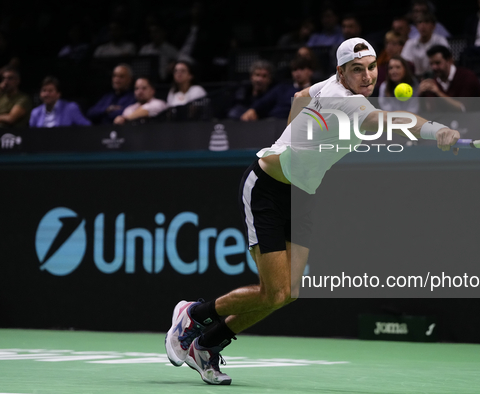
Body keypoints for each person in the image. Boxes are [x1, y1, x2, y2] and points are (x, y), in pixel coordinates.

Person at [164, 37, 460, 386]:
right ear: (341, 72)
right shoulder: (345, 101)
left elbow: (299, 97)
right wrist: (435, 128)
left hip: (302, 194)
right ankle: (193, 315)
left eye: (371, 67)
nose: (367, 76)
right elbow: (390, 120)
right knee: (273, 292)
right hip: (267, 189)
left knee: (287, 293)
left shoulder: (327, 85)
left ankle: (208, 346)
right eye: (357, 70)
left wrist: (292, 142)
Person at [240, 57, 313, 122]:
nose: (298, 73)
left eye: (302, 69)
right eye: (295, 70)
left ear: (310, 71)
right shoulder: (282, 88)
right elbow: (264, 102)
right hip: (274, 122)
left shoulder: (316, 90)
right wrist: (253, 110)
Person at [418, 45, 480, 112]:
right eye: (431, 64)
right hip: (445, 121)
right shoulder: (434, 82)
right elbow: (430, 112)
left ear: (449, 60)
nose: (434, 67)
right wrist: (421, 95)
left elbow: (463, 109)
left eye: (438, 63)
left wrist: (438, 92)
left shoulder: (467, 77)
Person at [401, 12, 449, 78]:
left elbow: (448, 62)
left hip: (437, 77)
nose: (422, 25)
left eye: (426, 22)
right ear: (416, 26)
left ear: (433, 26)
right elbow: (403, 63)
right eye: (420, 22)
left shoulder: (440, 41)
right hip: (416, 79)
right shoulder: (410, 43)